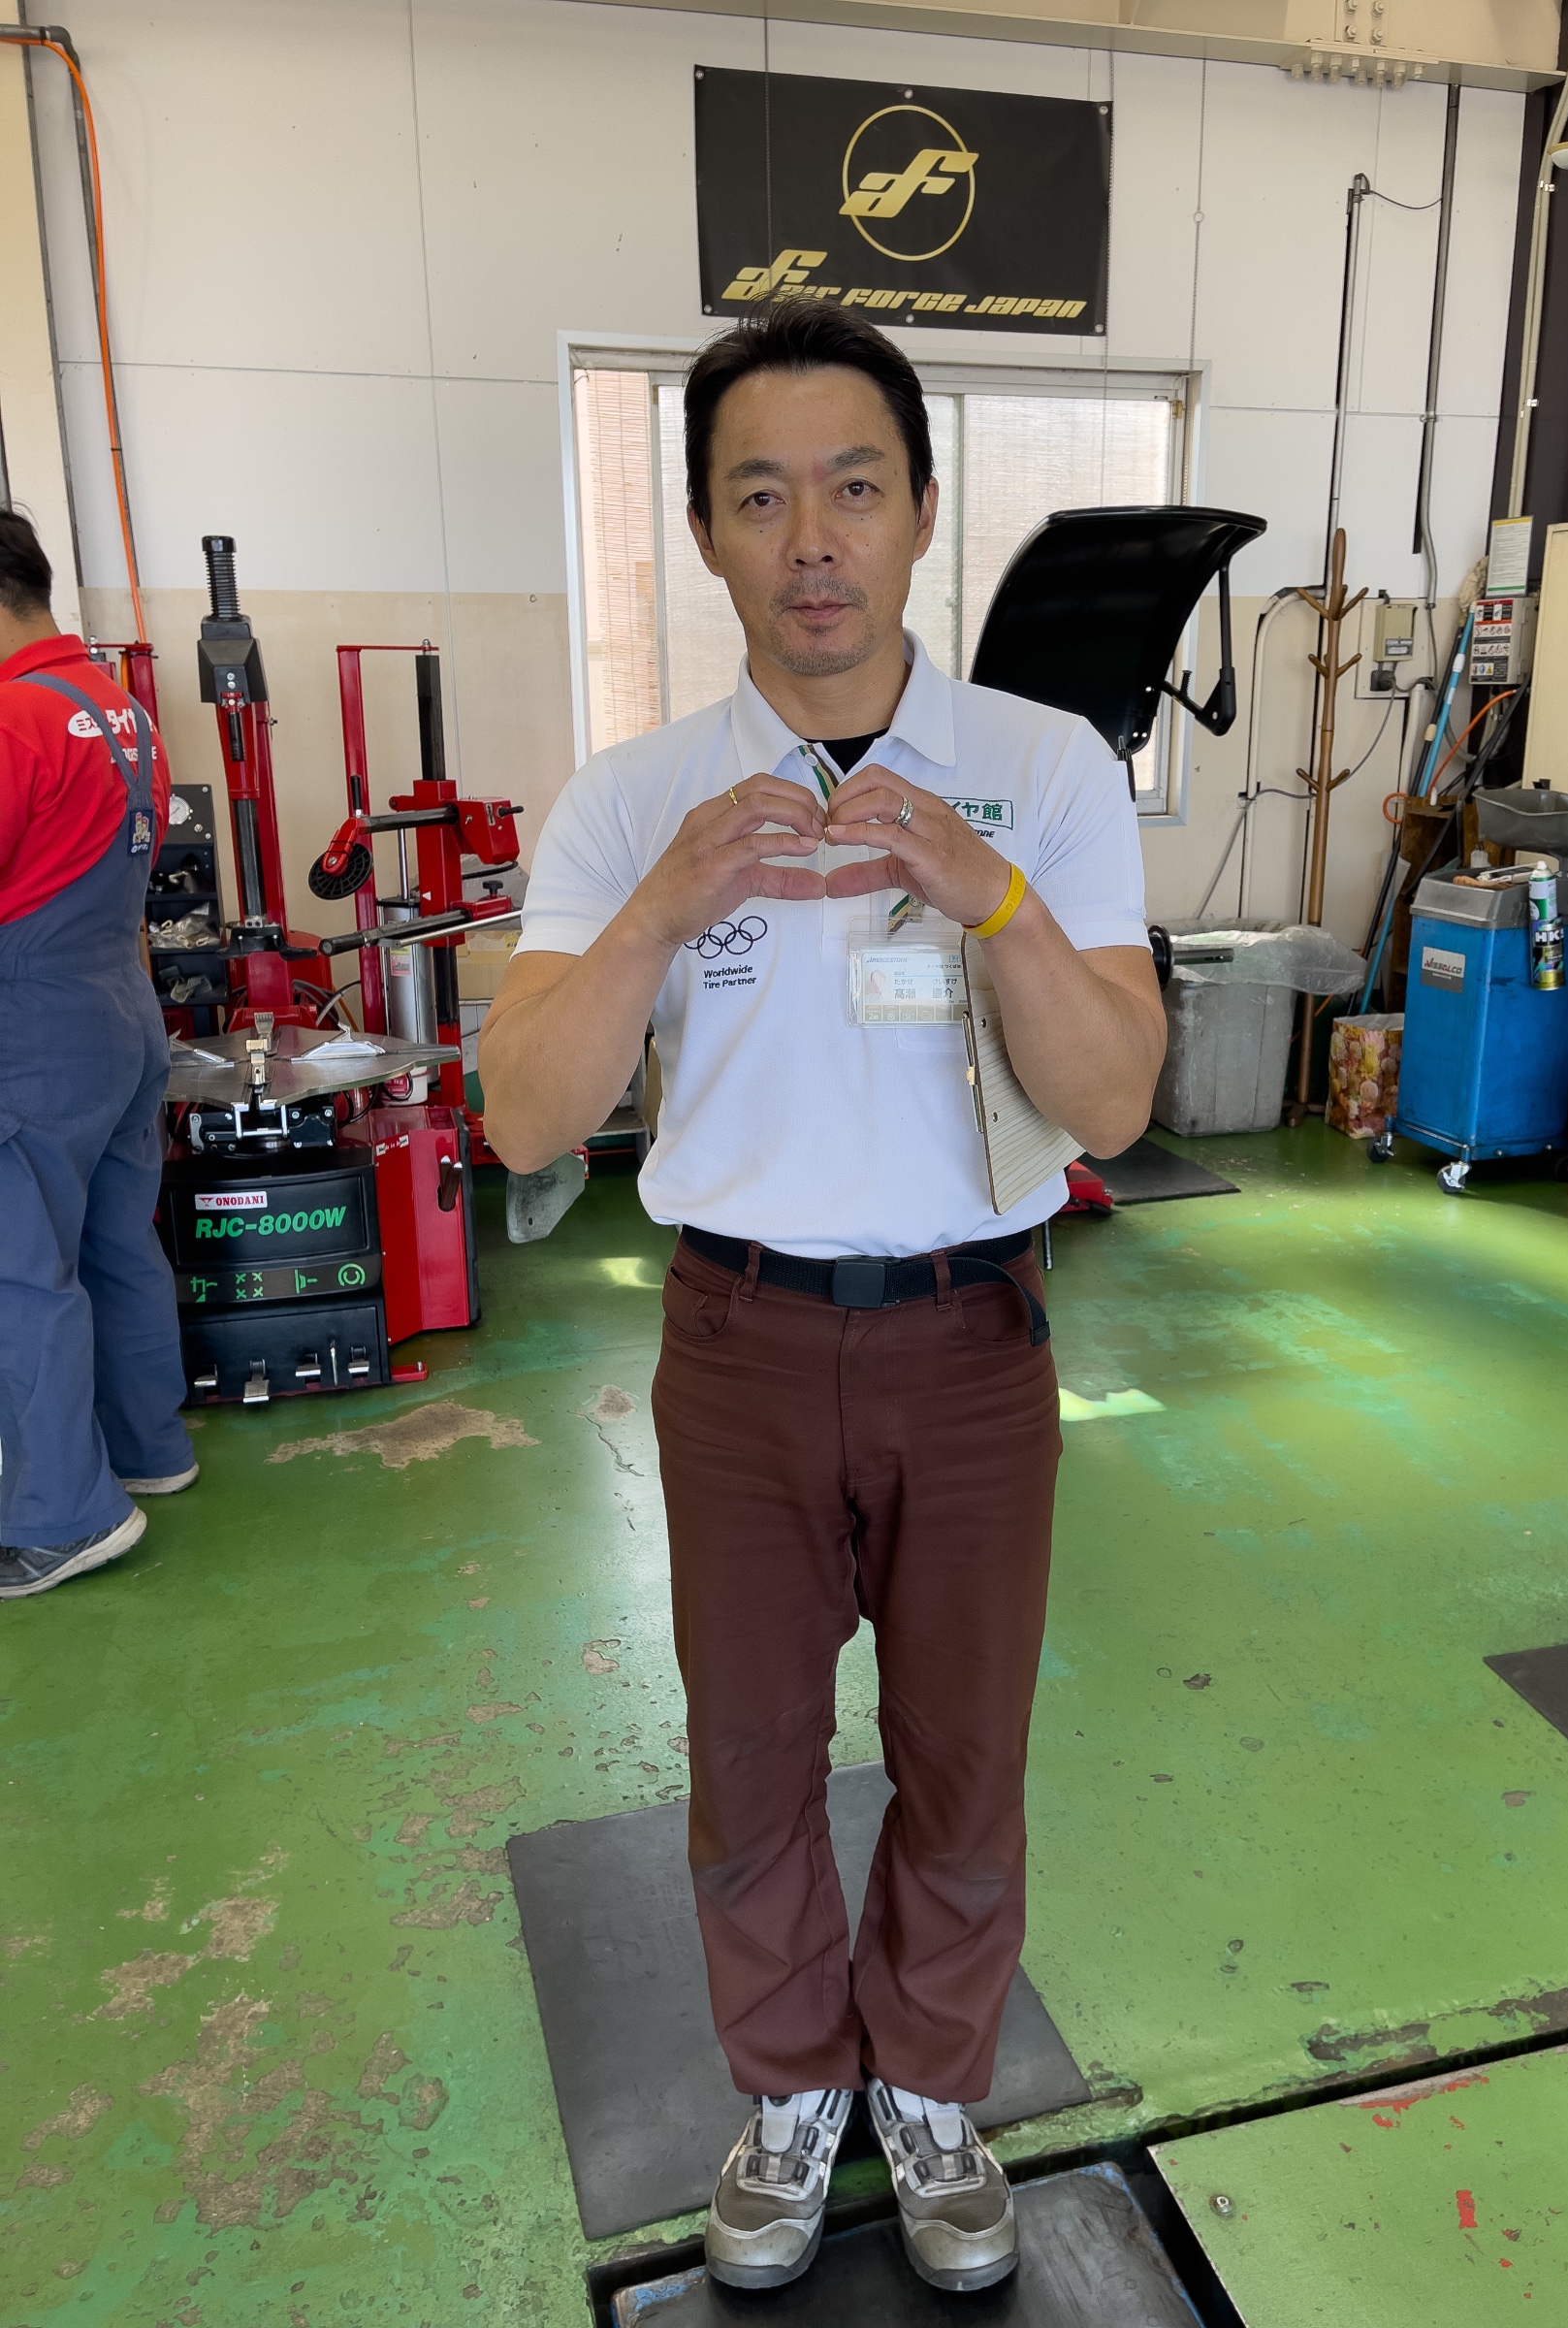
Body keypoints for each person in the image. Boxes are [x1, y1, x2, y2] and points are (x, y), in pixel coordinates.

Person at [480, 307, 1164, 2292]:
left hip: (974, 1343)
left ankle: (929, 2082)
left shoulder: (1040, 770)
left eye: (854, 487)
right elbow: (524, 1114)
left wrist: (992, 897)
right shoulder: (635, 800)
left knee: (964, 1754)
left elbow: (1114, 1097)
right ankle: (792, 2084)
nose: (812, 542)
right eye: (760, 496)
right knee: (754, 1757)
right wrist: (662, 908)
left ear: (924, 509)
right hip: (741, 1347)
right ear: (704, 531)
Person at [0, 510, 196, 1600]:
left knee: (19, 1272)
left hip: (28, 1029)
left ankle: (60, 1518)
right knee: (118, 1242)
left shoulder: (9, 718)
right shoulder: (116, 707)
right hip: (121, 1009)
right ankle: (147, 1447)